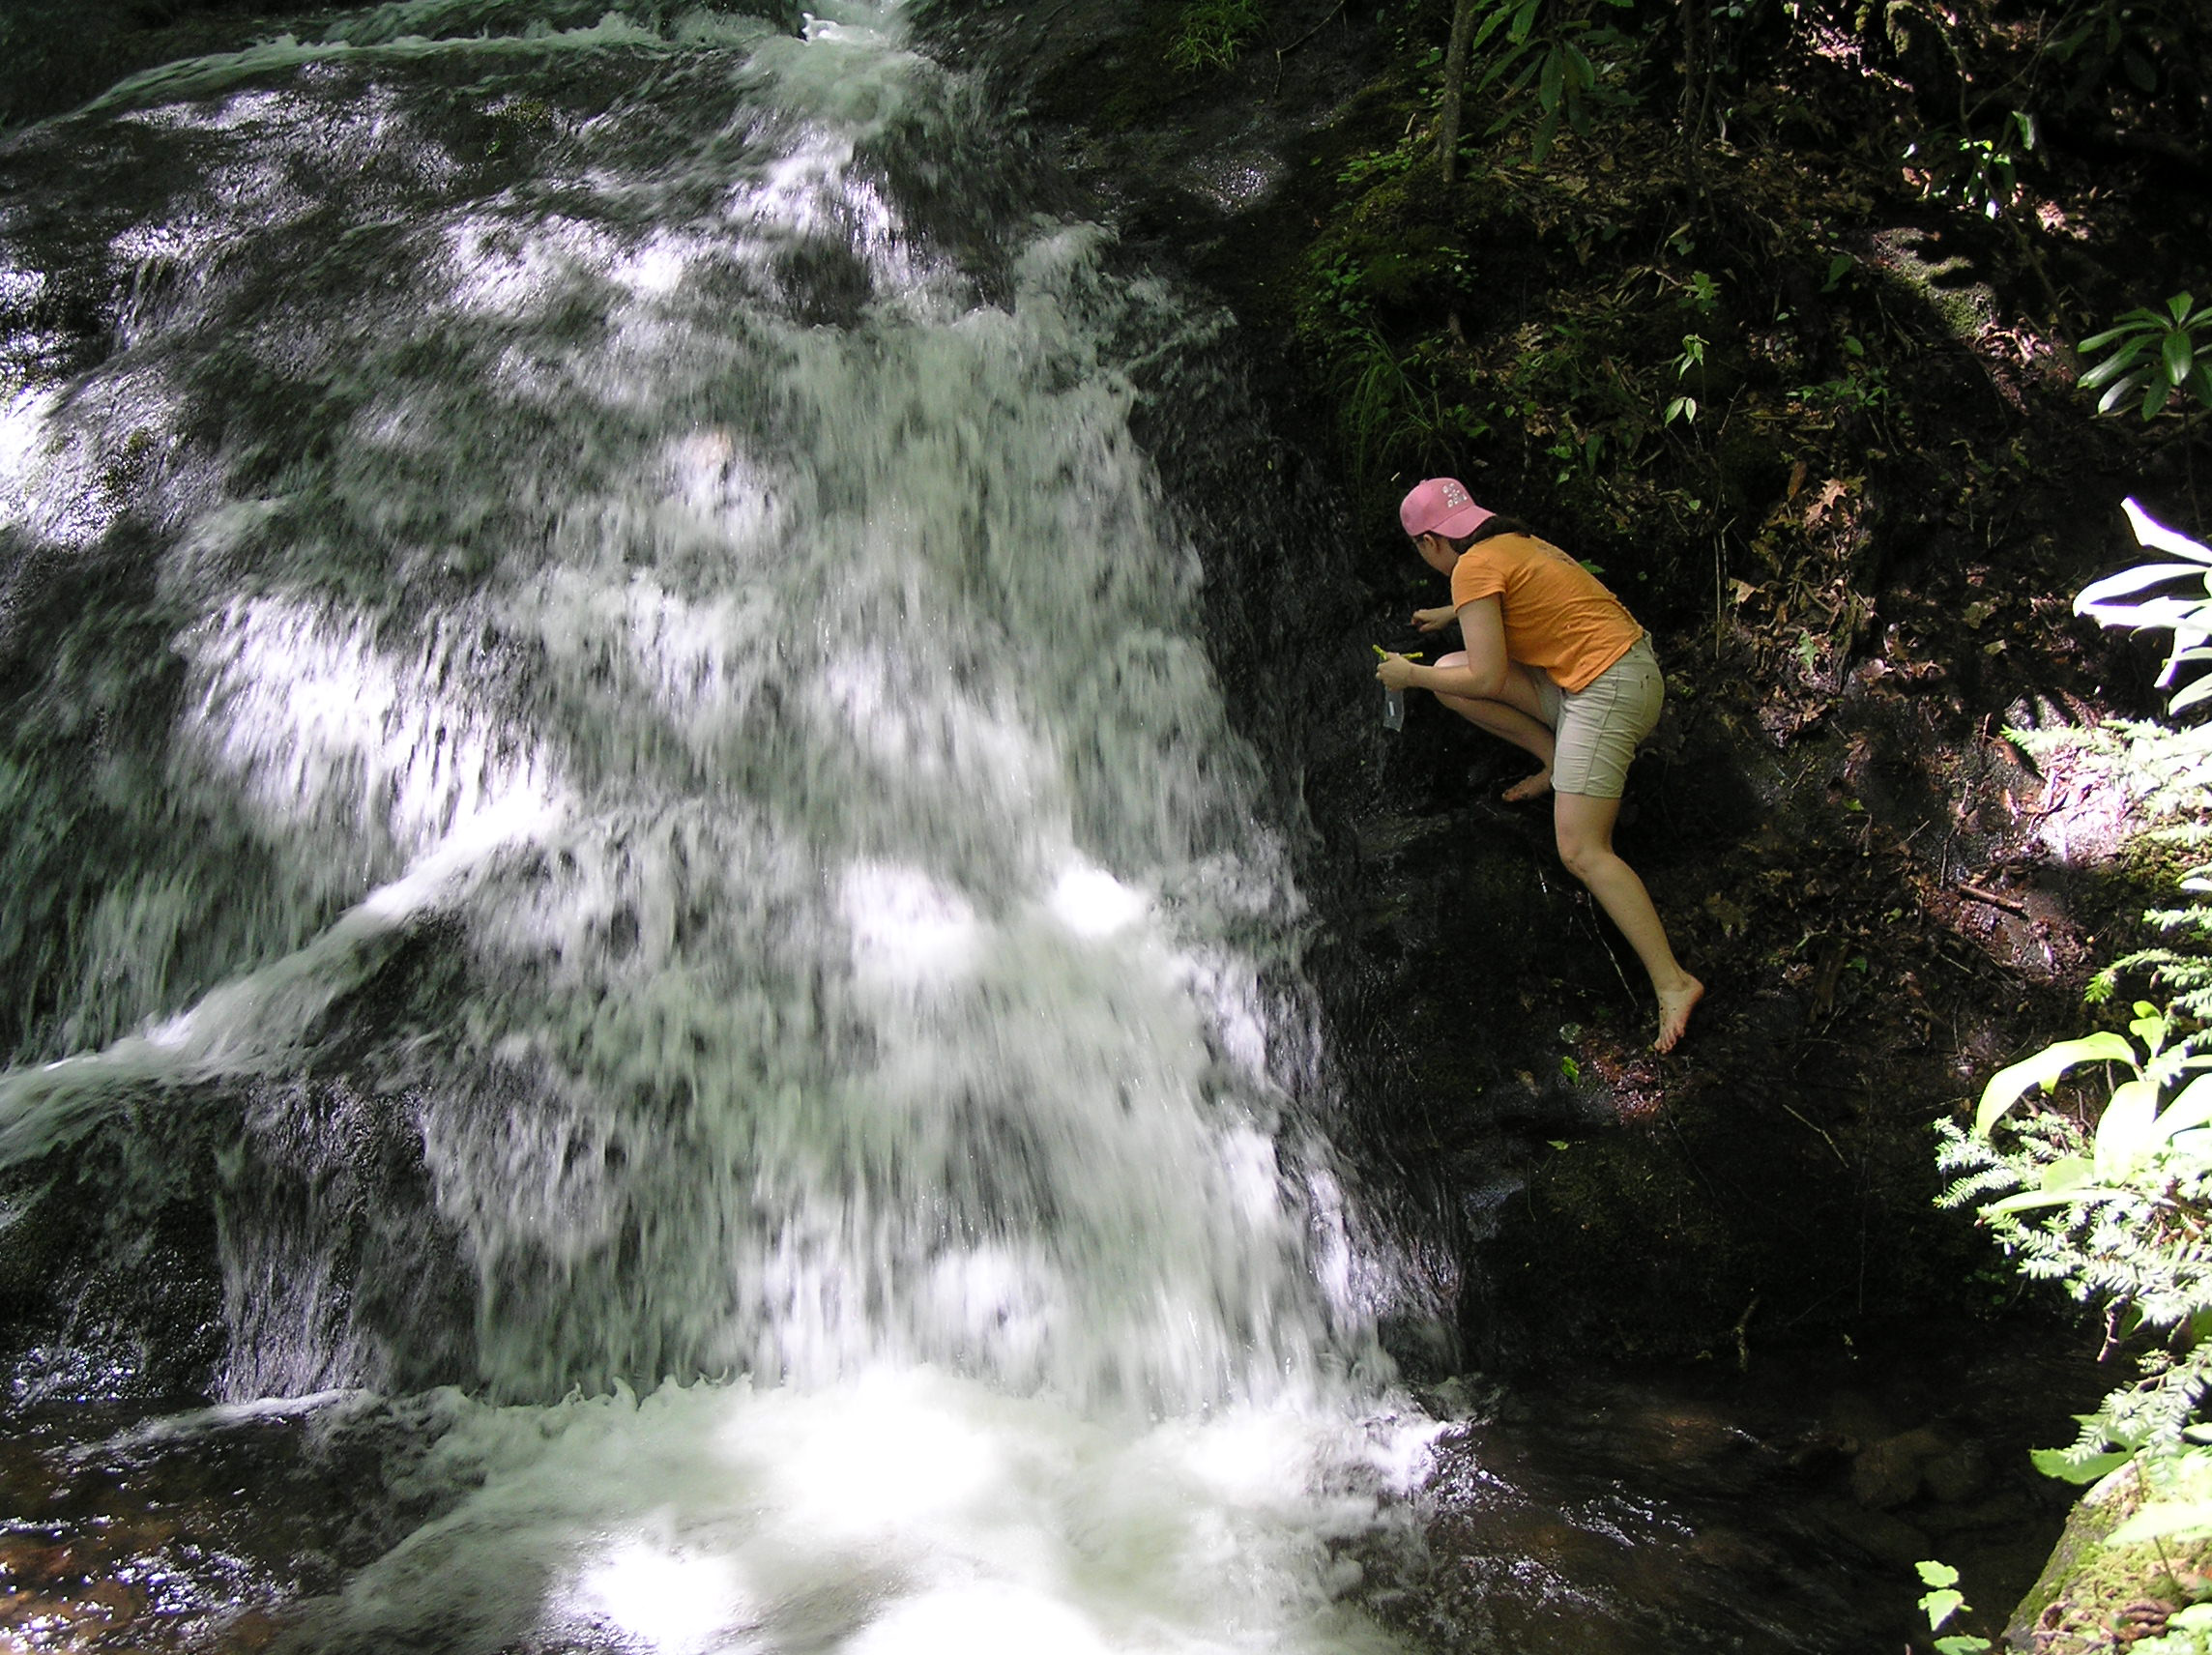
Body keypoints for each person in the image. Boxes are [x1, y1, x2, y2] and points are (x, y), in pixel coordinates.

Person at [1376, 478, 1703, 1054]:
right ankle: (1555, 759)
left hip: (1605, 690)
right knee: (1454, 662)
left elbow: (1488, 678)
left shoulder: (1470, 569)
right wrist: (1452, 614)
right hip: (1623, 674)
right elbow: (1509, 601)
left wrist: (1411, 676)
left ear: (1428, 542)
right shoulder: (1512, 544)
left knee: (1580, 849)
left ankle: (1673, 981)